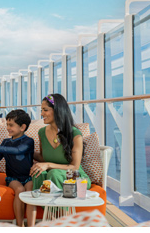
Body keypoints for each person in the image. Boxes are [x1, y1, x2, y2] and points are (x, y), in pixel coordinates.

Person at [27, 93, 91, 226]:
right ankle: (50, 220)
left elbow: (74, 166)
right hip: (53, 176)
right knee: (39, 173)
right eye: (41, 110)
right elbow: (44, 157)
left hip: (75, 177)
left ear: (57, 111)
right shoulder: (42, 132)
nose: (41, 114)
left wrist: (48, 165)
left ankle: (62, 222)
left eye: (45, 110)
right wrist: (25, 150)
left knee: (52, 173)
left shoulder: (75, 134)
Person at [0, 109, 34, 227]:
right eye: (7, 124)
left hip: (28, 177)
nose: (8, 127)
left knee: (30, 191)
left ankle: (31, 226)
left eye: (11, 125)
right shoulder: (5, 142)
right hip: (12, 178)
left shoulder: (28, 141)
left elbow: (18, 150)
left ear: (22, 127)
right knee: (19, 189)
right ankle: (20, 225)